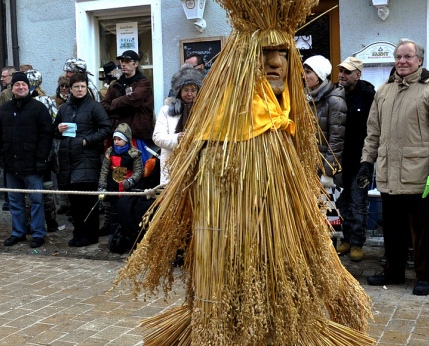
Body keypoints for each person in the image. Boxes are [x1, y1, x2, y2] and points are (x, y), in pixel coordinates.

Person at [114, 1, 373, 342]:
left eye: (284, 53)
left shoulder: (285, 116)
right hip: (229, 251)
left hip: (276, 250)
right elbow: (210, 202)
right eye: (266, 53)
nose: (277, 63)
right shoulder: (221, 127)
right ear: (242, 61)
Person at [359, 38, 429, 296]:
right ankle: (394, 272)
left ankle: (425, 276)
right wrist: (367, 162)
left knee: (421, 231)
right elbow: (373, 133)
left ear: (419, 61)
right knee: (392, 228)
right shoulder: (384, 91)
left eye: (407, 57)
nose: (401, 61)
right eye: (398, 57)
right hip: (389, 173)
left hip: (420, 174)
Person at [0, 72, 54, 248]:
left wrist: (42, 158)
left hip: (33, 164)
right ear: (12, 88)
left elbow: (46, 135)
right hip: (11, 164)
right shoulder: (5, 109)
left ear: (29, 87)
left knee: (36, 201)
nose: (20, 87)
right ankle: (18, 232)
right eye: (17, 84)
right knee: (15, 202)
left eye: (23, 84)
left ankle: (38, 233)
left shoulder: (38, 108)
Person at [55, 73, 112, 247]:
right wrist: (58, 128)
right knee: (75, 203)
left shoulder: (94, 107)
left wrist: (88, 140)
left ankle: (89, 235)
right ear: (70, 89)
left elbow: (106, 129)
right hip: (69, 161)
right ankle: (78, 232)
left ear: (87, 88)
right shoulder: (64, 108)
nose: (80, 90)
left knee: (88, 201)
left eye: (83, 86)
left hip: (87, 159)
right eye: (76, 87)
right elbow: (54, 131)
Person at [333, 57, 375, 262]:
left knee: (358, 203)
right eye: (341, 70)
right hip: (340, 160)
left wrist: (369, 159)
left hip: (360, 160)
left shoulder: (368, 96)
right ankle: (346, 238)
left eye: (347, 72)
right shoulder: (336, 94)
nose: (342, 75)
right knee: (343, 202)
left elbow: (373, 130)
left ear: (358, 74)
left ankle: (358, 242)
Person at [153, 64, 204, 185]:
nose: (189, 94)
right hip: (172, 165)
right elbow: (157, 137)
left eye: (193, 90)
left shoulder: (203, 112)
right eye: (186, 90)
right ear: (179, 91)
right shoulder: (166, 110)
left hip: (197, 165)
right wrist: (177, 138)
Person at [303, 55, 346, 185]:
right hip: (307, 167)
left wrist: (328, 172)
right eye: (304, 71)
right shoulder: (305, 98)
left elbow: (336, 140)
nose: (304, 76)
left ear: (320, 75)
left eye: (308, 72)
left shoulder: (334, 101)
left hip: (322, 171)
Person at [26, 69, 61, 233]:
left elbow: (55, 122)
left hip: (38, 149)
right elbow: (56, 120)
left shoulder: (39, 101)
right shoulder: (47, 100)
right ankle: (50, 221)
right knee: (46, 185)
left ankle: (36, 221)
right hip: (46, 149)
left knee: (37, 186)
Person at [101, 50, 155, 150]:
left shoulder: (143, 83)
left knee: (137, 164)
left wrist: (115, 103)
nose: (123, 64)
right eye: (122, 61)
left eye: (127, 61)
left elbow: (133, 100)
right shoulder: (116, 85)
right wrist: (121, 106)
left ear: (136, 64)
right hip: (116, 134)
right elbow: (104, 105)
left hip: (135, 134)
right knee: (114, 164)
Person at [98, 123, 143, 237]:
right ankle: (114, 236)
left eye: (119, 139)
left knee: (126, 213)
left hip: (127, 189)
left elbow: (138, 171)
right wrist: (102, 186)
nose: (116, 142)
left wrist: (131, 181)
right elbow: (104, 170)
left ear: (126, 140)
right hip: (113, 188)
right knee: (113, 213)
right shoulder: (110, 152)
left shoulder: (134, 154)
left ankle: (127, 236)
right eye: (115, 139)